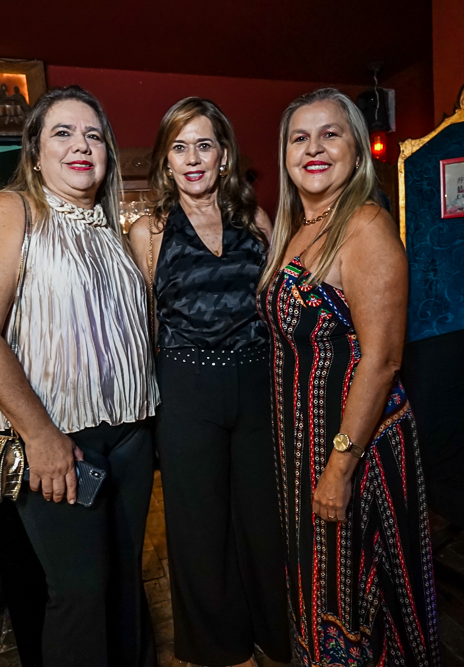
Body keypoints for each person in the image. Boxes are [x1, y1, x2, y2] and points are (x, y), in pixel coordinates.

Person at [0, 85, 159, 667]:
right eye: (62, 133)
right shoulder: (9, 211)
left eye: (93, 134)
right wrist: (41, 438)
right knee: (80, 593)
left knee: (123, 584)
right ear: (35, 151)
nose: (81, 145)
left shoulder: (109, 229)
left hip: (130, 438)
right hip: (61, 444)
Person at [257, 87, 441, 667]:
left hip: (353, 446)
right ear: (286, 154)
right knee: (317, 581)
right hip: (304, 444)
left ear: (357, 151)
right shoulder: (299, 226)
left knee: (357, 592)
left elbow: (383, 360)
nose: (314, 148)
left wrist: (339, 464)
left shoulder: (365, 228)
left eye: (330, 133)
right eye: (299, 136)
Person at [127, 97, 291, 667]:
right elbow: (144, 323)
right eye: (179, 146)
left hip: (256, 386)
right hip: (186, 389)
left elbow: (276, 309)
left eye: (204, 145)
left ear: (224, 157)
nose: (192, 158)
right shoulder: (148, 229)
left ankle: (278, 633)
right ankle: (219, 646)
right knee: (199, 526)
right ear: (165, 161)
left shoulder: (255, 220)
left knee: (264, 519)